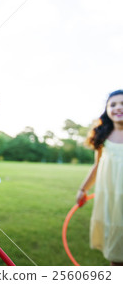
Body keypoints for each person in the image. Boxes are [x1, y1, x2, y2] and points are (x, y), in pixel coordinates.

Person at [76, 89, 123, 266]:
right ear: (107, 110)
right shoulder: (104, 138)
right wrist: (83, 189)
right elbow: (97, 167)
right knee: (116, 249)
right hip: (112, 201)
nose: (118, 107)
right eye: (113, 104)